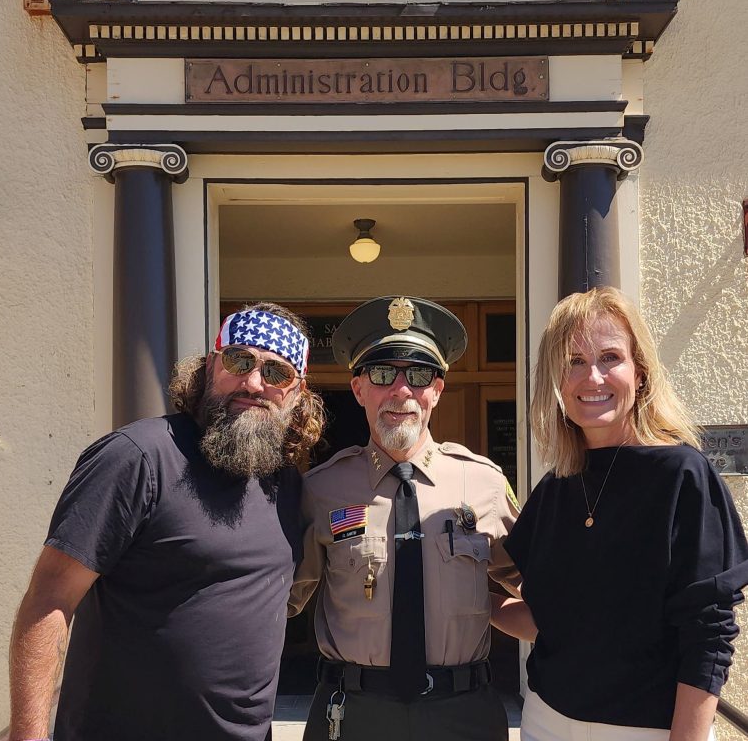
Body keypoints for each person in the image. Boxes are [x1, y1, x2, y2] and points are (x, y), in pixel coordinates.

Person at [9, 302, 324, 741]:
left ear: (296, 393)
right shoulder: (138, 456)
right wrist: (28, 734)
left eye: (276, 373)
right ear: (211, 365)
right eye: (239, 360)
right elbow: (49, 597)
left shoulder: (286, 486)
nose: (253, 382)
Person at [503, 286, 748, 741]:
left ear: (640, 373)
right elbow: (546, 621)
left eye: (610, 357)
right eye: (574, 362)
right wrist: (472, 600)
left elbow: (709, 636)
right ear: (557, 381)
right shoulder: (557, 486)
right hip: (544, 722)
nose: (592, 377)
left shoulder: (682, 475)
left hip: (646, 731)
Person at [289, 295, 533, 741]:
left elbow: (543, 594)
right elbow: (273, 600)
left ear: (437, 390)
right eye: (383, 374)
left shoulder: (484, 484)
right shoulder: (320, 490)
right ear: (359, 389)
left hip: (462, 715)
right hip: (352, 715)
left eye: (419, 375)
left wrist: (483, 605)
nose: (401, 390)